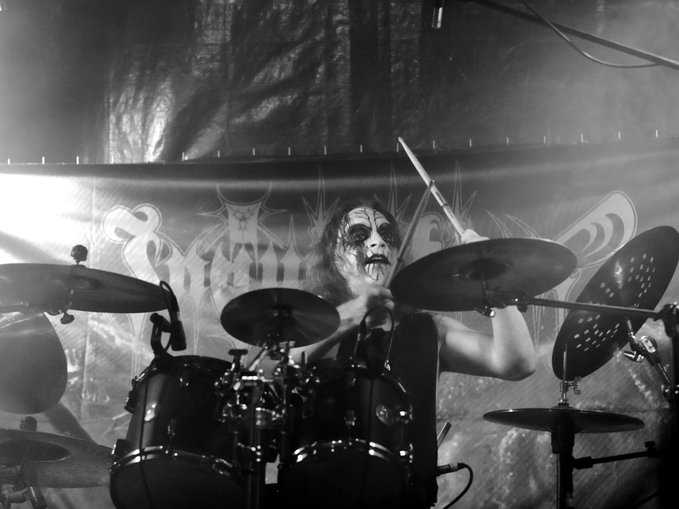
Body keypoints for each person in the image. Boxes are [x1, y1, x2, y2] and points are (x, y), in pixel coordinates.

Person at [281, 199, 536, 509]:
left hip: (406, 499)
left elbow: (517, 363)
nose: (378, 242)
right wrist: (349, 315)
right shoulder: (312, 322)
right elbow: (267, 373)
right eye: (359, 236)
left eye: (387, 235)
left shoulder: (432, 329)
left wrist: (492, 275)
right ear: (335, 258)